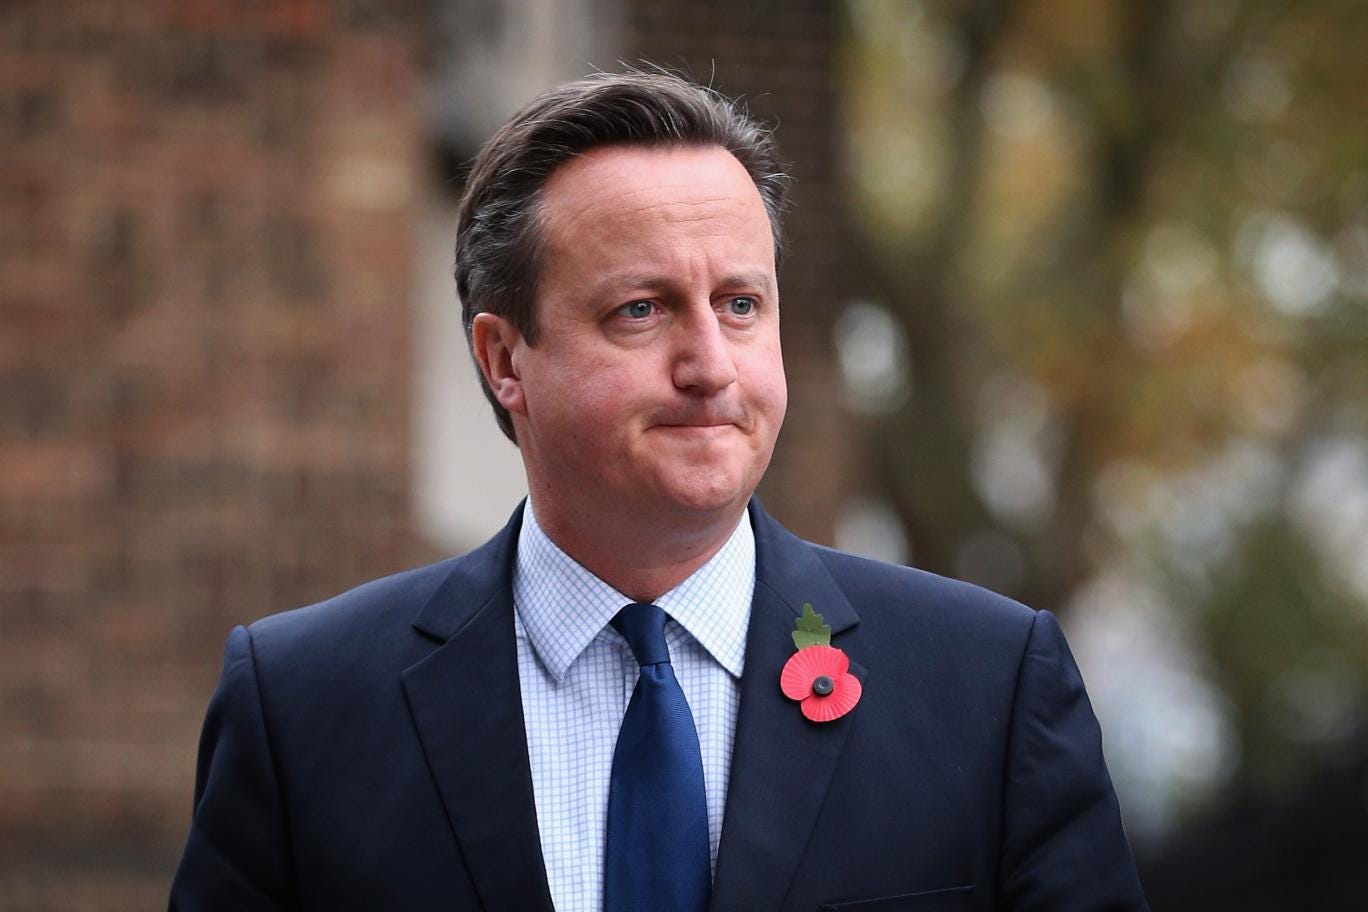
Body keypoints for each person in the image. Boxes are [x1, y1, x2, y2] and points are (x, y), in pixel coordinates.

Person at [170, 71, 1148, 911]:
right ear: (505, 358)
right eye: (642, 310)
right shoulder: (302, 710)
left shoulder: (987, 688)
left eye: (739, 305)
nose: (711, 366)